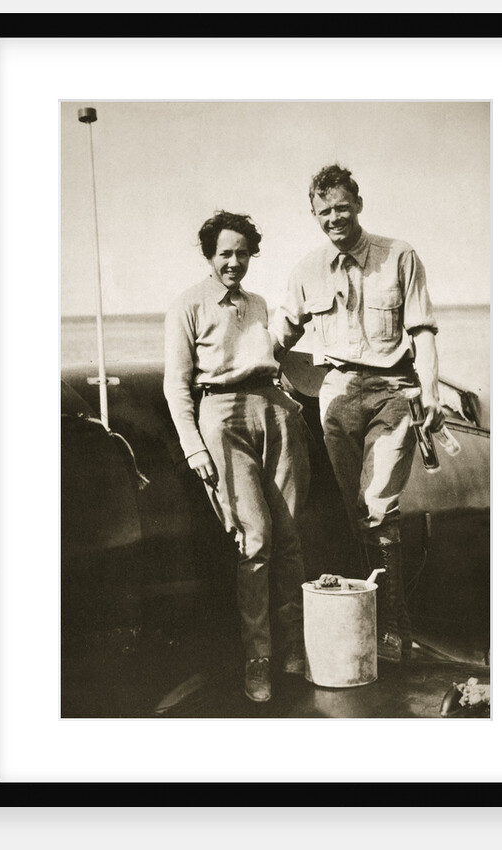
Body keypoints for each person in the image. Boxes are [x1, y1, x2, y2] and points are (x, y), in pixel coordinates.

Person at [271, 164, 445, 663]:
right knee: (356, 513)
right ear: (314, 215)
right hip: (338, 394)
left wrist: (429, 389)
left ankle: (395, 628)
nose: (333, 218)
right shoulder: (306, 270)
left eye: (341, 207)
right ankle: (370, 617)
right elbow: (282, 333)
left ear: (359, 204)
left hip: (394, 391)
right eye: (323, 211)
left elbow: (423, 330)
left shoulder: (399, 255)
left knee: (377, 504)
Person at [163, 210, 310, 702]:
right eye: (225, 253)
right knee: (255, 540)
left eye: (242, 253)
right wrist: (193, 447)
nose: (234, 261)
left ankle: (295, 646)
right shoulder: (186, 306)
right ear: (209, 255)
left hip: (274, 411)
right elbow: (176, 385)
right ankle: (258, 659)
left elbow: (271, 355)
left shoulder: (260, 303)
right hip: (221, 418)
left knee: (289, 536)